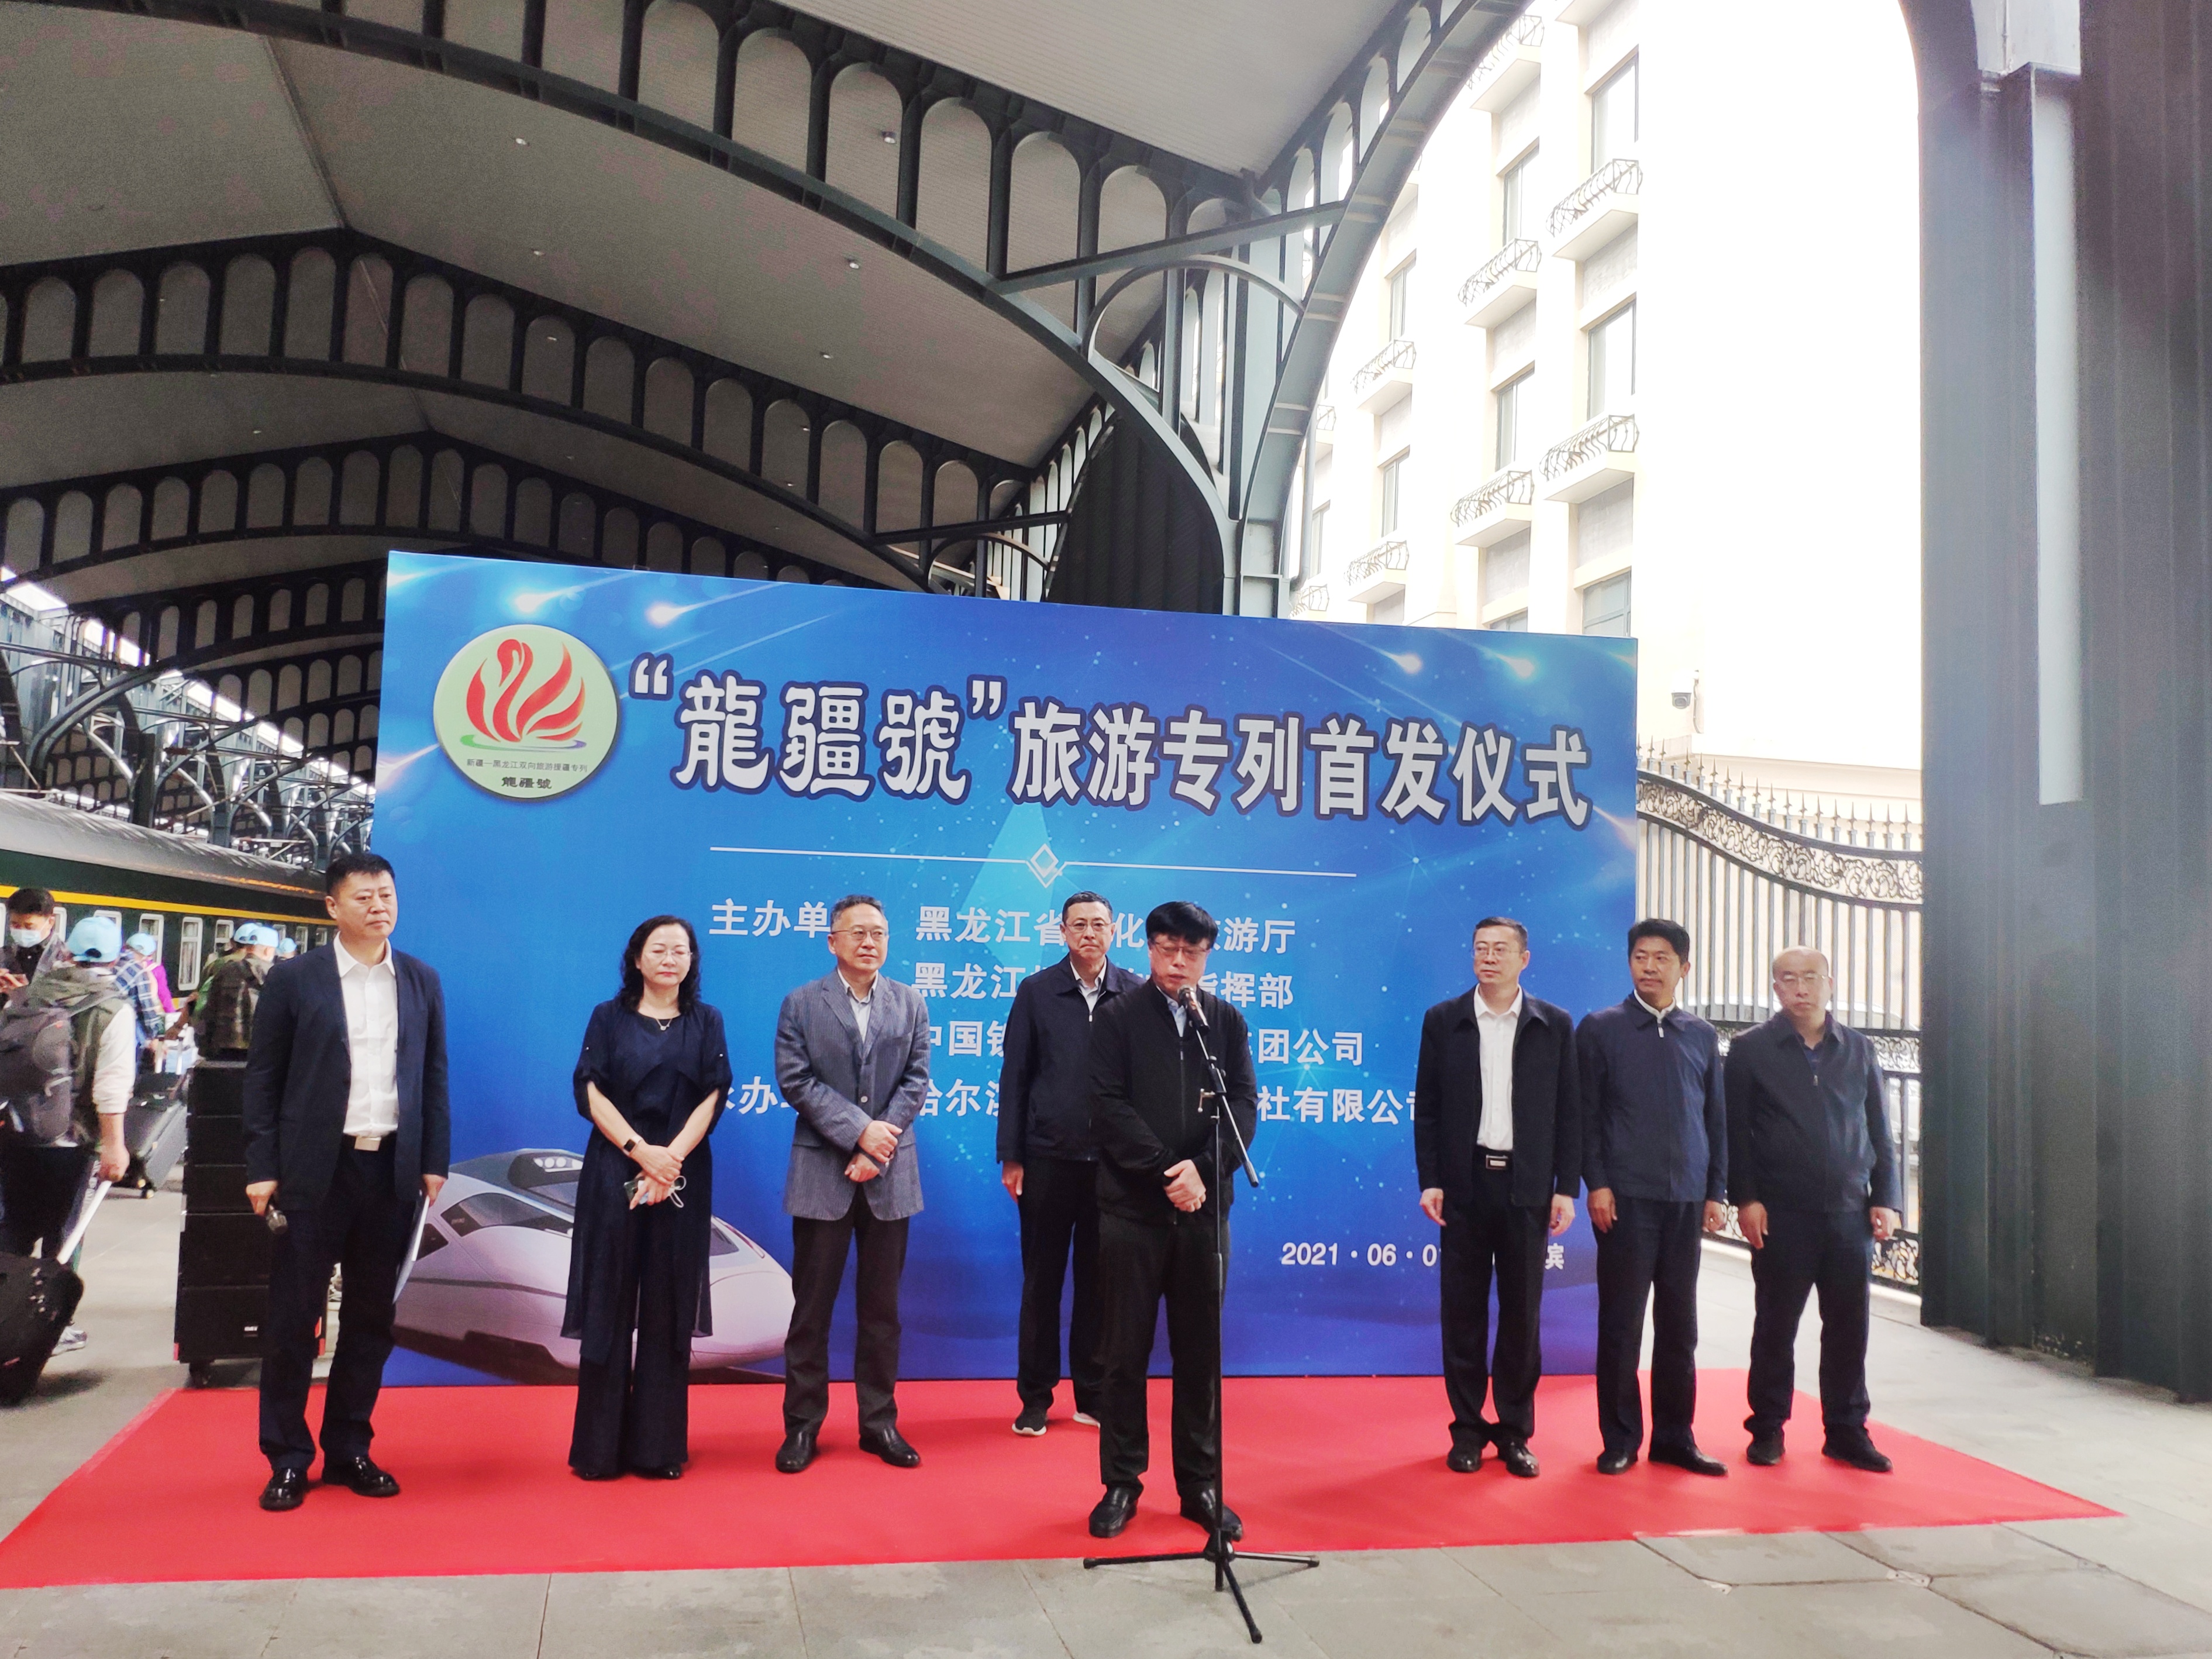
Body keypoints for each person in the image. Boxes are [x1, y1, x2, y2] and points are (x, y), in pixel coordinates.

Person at [243, 853, 449, 1513]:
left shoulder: (419, 979)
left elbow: (433, 1076)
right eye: (363, 897)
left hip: (390, 1170)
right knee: (292, 1317)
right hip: (313, 1170)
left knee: (370, 1317)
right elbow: (263, 1077)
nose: (378, 906)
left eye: (386, 894)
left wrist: (433, 1160)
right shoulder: (294, 979)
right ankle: (287, 1457)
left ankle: (349, 1448)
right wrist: (262, 1166)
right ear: (332, 907)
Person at [1084, 900, 1259, 1542]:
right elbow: (1106, 1106)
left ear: (1207, 956)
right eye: (1166, 948)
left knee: (1200, 1354)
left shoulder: (1224, 1021)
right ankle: (1121, 1482)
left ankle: (1200, 1484)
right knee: (1123, 1354)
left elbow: (1244, 1104)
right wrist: (1167, 1171)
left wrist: (1203, 1172)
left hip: (1204, 1214)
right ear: (1149, 947)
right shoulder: (1117, 1017)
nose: (1178, 961)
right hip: (1133, 1212)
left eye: (1191, 951)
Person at [564, 915, 731, 1481]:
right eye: (659, 949)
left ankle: (658, 1449)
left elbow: (713, 1095)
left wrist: (669, 1161)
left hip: (681, 1174)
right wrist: (641, 1152)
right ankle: (599, 1450)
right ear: (637, 959)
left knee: (667, 1306)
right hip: (616, 1167)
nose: (670, 959)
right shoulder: (608, 1017)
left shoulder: (707, 1021)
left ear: (692, 961)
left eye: (681, 951)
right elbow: (590, 1090)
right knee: (608, 1303)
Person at [1412, 917, 1580, 1478]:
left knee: (1521, 1317)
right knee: (1461, 1313)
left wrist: (1566, 1188)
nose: (1489, 957)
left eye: (1501, 949)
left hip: (1527, 1188)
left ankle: (1514, 1432)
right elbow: (1428, 1109)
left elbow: (1570, 1113)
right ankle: (1466, 1430)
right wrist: (1431, 1179)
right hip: (1464, 1186)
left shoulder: (1554, 1024)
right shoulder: (1445, 1020)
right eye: (1481, 948)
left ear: (1524, 959)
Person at [1726, 946, 1902, 1474]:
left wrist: (1886, 1198)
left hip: (1849, 1214)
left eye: (1810, 977)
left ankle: (1846, 1430)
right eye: (1788, 979)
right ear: (1775, 988)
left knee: (1849, 1327)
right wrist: (1747, 1199)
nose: (1800, 988)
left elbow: (1880, 1130)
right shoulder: (1751, 1049)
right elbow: (1736, 1132)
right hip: (1782, 1213)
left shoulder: (1859, 1049)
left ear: (1830, 983)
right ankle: (1767, 1428)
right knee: (1776, 1326)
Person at [771, 894, 931, 1474]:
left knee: (882, 1311)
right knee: (810, 1311)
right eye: (857, 932)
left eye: (879, 933)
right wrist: (860, 1133)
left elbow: (916, 1079)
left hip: (889, 1175)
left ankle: (879, 1421)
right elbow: (796, 1080)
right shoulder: (801, 1003)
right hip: (824, 1172)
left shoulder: (909, 1001)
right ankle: (802, 1425)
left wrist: (878, 1145)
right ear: (832, 940)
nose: (869, 942)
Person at [1579, 918, 1729, 1476]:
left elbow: (1715, 1118)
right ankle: (1620, 1439)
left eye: (1662, 958)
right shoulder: (1602, 1029)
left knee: (1680, 1327)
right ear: (1629, 963)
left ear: (1683, 968)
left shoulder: (1701, 1035)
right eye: (1641, 956)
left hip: (1686, 1200)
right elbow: (1586, 1117)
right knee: (1622, 1325)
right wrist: (1597, 1182)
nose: (1650, 966)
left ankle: (1675, 1437)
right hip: (1626, 1199)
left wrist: (1716, 1191)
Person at [997, 890, 1143, 1437]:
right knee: (1042, 1282)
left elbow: (1145, 1082)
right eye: (1078, 924)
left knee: (1100, 1284)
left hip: (1112, 1164)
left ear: (1115, 931)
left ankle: (1094, 1393)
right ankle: (1035, 1397)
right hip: (1046, 1159)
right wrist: (1012, 1154)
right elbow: (1015, 1076)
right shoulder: (1037, 991)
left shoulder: (1135, 993)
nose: (1089, 933)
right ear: (1061, 932)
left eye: (1099, 924)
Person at [1, 916, 136, 1357]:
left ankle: (4, 1317)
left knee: (13, 1230)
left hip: (17, 1134)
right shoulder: (113, 1009)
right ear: (116, 958)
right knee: (64, 1234)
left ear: (66, 951)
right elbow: (111, 1087)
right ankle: (49, 1327)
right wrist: (114, 1145)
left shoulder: (31, 994)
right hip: (71, 1141)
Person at [197, 924, 277, 1058]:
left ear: (249, 947)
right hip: (258, 1048)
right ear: (268, 950)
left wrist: (206, 1048)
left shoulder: (225, 970)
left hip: (223, 1045)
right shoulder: (274, 974)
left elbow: (210, 1010)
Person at [114, 932, 167, 1068]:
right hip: (125, 1035)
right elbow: (146, 1008)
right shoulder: (138, 972)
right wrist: (156, 1036)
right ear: (144, 955)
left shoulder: (112, 962)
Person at [1, 888, 66, 994]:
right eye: (15, 925)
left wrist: (22, 994)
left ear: (50, 922)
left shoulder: (64, 959)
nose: (21, 931)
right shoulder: (4, 955)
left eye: (29, 927)